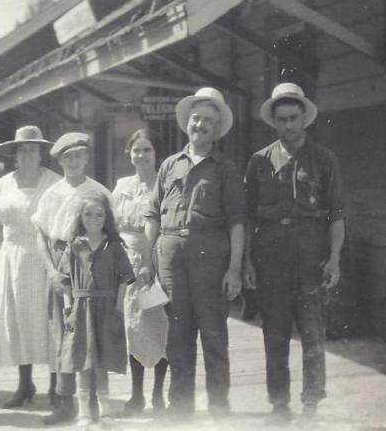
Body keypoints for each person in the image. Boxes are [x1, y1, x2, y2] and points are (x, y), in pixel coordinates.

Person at [142, 86, 246, 420]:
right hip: (170, 258)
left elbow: (237, 222)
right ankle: (180, 410)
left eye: (208, 121)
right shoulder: (169, 165)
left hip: (211, 258)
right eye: (196, 118)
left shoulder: (226, 169)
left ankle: (219, 409)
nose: (200, 125)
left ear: (217, 130)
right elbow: (153, 215)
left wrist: (234, 269)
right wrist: (146, 261)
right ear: (187, 122)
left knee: (213, 334)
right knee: (177, 335)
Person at [244, 82, 345, 423]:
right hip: (270, 253)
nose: (288, 125)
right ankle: (279, 405)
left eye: (294, 118)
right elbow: (246, 217)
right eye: (282, 119)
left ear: (305, 118)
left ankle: (312, 405)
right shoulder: (259, 162)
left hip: (311, 250)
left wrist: (334, 258)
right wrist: (246, 261)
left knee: (313, 331)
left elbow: (337, 215)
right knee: (275, 331)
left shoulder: (324, 159)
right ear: (273, 121)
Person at [31, 132, 114, 425]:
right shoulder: (52, 193)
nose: (74, 161)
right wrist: (52, 272)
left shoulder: (100, 192)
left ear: (86, 157)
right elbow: (41, 236)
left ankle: (95, 404)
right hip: (61, 266)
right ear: (60, 160)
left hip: (92, 268)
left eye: (79, 155)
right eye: (68, 157)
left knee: (94, 334)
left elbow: (111, 237)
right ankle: (66, 403)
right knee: (65, 336)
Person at [0, 126, 61, 408]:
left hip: (43, 258)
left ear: (41, 153)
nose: (28, 154)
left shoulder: (54, 182)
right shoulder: (3, 184)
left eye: (33, 149)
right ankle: (24, 384)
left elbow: (63, 225)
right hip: (11, 257)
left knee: (48, 319)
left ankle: (56, 387)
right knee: (17, 321)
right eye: (22, 149)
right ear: (15, 154)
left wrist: (56, 265)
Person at [56, 193, 135, 425]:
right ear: (80, 217)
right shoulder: (74, 246)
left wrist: (118, 307)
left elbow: (124, 278)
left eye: (99, 214)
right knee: (82, 362)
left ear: (107, 217)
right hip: (81, 310)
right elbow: (66, 281)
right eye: (88, 214)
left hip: (106, 309)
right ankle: (83, 413)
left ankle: (105, 412)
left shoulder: (114, 246)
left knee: (101, 363)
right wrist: (68, 309)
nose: (93, 219)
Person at [112, 129, 168, 416]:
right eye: (136, 150)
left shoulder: (164, 183)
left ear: (155, 153)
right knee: (133, 327)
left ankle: (158, 395)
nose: (141, 155)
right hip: (126, 264)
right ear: (129, 154)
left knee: (157, 325)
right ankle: (136, 396)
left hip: (156, 262)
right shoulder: (121, 186)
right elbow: (111, 224)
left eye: (147, 150)